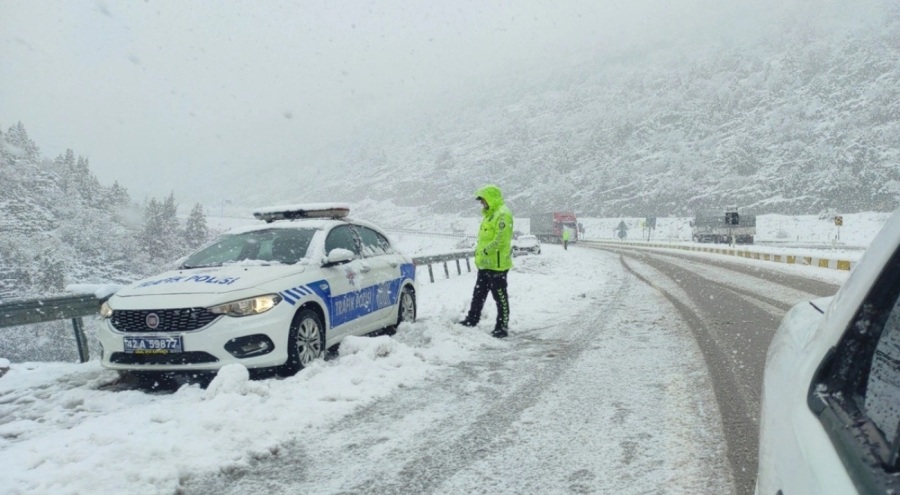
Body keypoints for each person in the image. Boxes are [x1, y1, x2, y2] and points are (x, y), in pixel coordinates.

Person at [459, 184, 513, 338]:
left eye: (483, 200)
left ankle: (502, 327)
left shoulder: (503, 214)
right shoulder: (490, 215)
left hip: (497, 265)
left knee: (500, 296)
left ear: (490, 198)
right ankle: (472, 319)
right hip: (485, 264)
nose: (481, 203)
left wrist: (484, 251)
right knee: (478, 293)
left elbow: (501, 240)